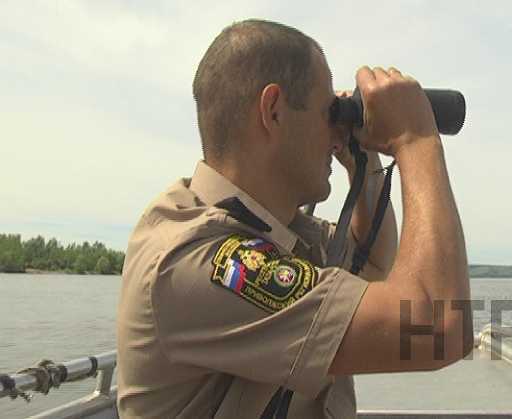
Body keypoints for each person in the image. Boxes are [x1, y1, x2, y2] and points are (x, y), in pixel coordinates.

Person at [116, 19, 472, 419]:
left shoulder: (270, 228)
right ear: (273, 112)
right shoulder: (199, 258)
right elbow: (436, 327)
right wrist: (415, 138)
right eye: (328, 114)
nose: (335, 131)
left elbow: (371, 265)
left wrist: (363, 160)